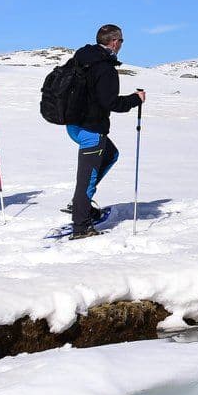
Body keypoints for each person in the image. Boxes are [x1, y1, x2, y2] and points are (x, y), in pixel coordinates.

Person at [65, 24, 144, 239]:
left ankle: (81, 204)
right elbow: (110, 102)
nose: (121, 45)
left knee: (111, 154)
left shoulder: (82, 58)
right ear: (115, 42)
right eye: (122, 41)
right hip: (91, 129)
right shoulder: (104, 67)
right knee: (87, 179)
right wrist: (135, 99)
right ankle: (81, 226)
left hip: (74, 124)